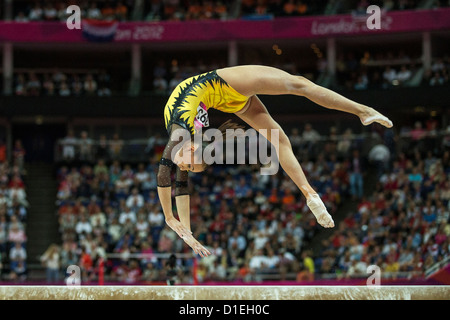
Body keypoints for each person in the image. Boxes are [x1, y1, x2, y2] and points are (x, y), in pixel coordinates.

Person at [157, 65, 393, 257]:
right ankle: (309, 193)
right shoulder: (186, 148)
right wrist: (187, 233)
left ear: (191, 147)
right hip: (221, 101)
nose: (184, 168)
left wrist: (170, 218)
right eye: (189, 167)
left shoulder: (178, 135)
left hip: (222, 82)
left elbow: (164, 175)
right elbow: (181, 186)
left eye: (188, 165)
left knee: (297, 83)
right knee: (278, 137)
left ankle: (362, 110)